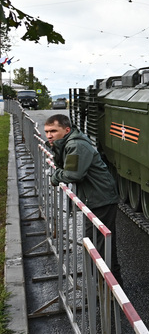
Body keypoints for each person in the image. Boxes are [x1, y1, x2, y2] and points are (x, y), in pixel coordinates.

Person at [45, 114, 122, 282]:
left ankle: (110, 293)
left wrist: (55, 177)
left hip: (101, 199)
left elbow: (73, 174)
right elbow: (64, 167)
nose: (49, 135)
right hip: (94, 198)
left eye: (53, 131)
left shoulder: (76, 145)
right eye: (47, 132)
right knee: (97, 245)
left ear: (66, 130)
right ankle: (104, 289)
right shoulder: (68, 143)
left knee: (101, 248)